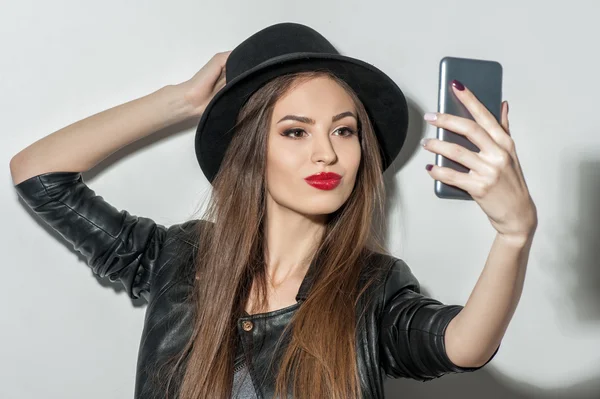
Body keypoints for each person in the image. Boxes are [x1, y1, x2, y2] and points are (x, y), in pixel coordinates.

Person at [10, 22, 537, 399]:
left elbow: (462, 344)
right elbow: (38, 173)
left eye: (344, 130)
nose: (326, 152)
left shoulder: (370, 285)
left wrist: (513, 235)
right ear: (251, 152)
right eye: (295, 131)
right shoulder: (179, 258)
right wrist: (179, 104)